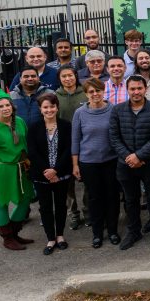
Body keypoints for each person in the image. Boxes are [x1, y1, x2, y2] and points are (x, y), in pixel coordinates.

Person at [109, 75, 150, 250]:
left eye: (139, 88)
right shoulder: (117, 110)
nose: (136, 92)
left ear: (145, 89)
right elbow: (114, 137)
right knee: (130, 199)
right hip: (125, 164)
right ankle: (134, 231)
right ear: (127, 90)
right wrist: (129, 157)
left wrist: (139, 156)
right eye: (132, 89)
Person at [0, 87, 36, 250]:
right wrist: (0, 164)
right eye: (1, 106)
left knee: (25, 199)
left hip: (21, 167)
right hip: (2, 169)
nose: (5, 108)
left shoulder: (20, 122)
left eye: (8, 105)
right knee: (2, 202)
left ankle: (14, 232)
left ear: (12, 106)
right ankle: (7, 238)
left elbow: (24, 144)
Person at [71, 78, 121, 248]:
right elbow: (76, 139)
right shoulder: (80, 113)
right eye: (91, 92)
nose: (95, 94)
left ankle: (113, 231)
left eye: (98, 90)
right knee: (94, 198)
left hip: (110, 160)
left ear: (103, 91)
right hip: (88, 162)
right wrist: (75, 164)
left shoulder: (113, 110)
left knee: (112, 197)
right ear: (86, 94)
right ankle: (97, 233)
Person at [26, 93, 73, 255]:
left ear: (57, 107)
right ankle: (50, 238)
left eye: (52, 106)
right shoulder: (33, 128)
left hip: (61, 174)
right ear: (40, 109)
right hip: (41, 175)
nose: (49, 110)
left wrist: (56, 170)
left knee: (61, 205)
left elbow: (68, 150)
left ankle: (60, 235)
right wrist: (47, 171)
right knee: (45, 207)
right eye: (45, 107)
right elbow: (32, 152)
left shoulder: (66, 126)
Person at [54, 66, 88, 229]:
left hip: (85, 142)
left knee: (87, 179)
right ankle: (73, 213)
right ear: (60, 79)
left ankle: (88, 211)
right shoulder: (55, 96)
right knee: (67, 182)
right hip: (64, 144)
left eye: (70, 75)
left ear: (76, 76)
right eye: (64, 76)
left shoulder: (85, 92)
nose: (68, 79)